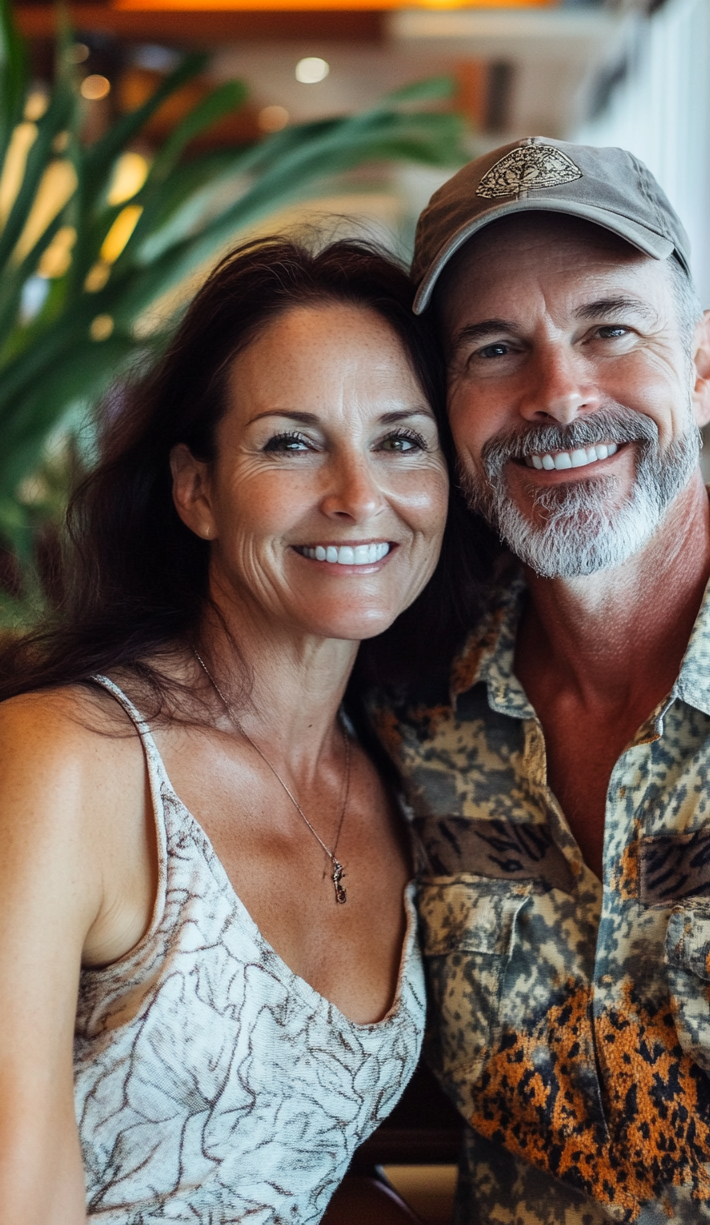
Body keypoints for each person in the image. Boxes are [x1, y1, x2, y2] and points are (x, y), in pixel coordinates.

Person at [370, 139, 710, 1224]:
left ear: (700, 366)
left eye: (608, 330)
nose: (557, 397)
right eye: (493, 350)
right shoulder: (407, 710)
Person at [0, 235, 454, 1225]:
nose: (356, 496)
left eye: (400, 440)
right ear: (196, 489)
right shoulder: (69, 760)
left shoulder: (408, 778)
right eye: (290, 442)